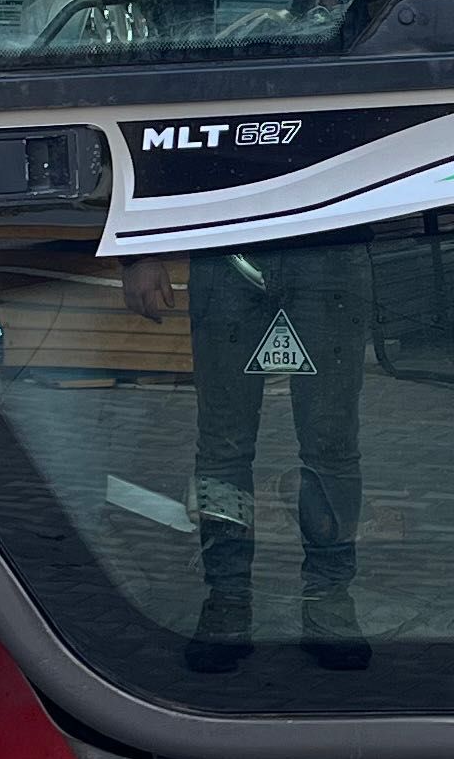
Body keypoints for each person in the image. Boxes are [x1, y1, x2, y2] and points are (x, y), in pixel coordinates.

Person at [123, 236, 376, 673]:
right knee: (225, 444)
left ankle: (328, 600)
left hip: (330, 241)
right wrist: (138, 252)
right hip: (226, 242)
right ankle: (228, 601)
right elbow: (150, 162)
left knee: (330, 445)